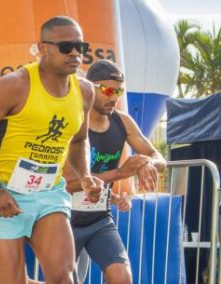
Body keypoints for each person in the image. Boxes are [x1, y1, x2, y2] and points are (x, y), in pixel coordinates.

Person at [0, 16, 105, 283]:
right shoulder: (16, 85)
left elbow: (79, 140)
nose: (74, 53)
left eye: (80, 47)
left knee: (63, 277)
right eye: (66, 46)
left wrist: (84, 175)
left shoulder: (85, 91)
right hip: (5, 192)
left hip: (49, 192)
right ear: (43, 48)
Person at [65, 60, 165, 283]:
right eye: (108, 90)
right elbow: (69, 183)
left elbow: (158, 157)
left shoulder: (122, 121)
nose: (114, 97)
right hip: (65, 218)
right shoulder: (73, 122)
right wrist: (121, 173)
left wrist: (146, 164)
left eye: (119, 91)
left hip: (98, 218)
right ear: (90, 88)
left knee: (122, 277)